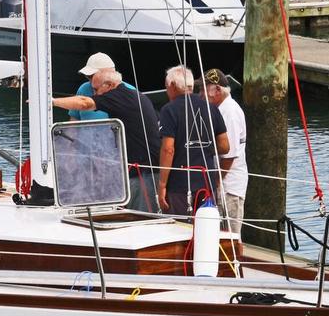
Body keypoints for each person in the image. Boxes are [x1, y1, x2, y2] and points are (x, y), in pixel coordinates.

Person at [51, 69, 161, 212]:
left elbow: (85, 103)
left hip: (142, 173)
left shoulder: (119, 96)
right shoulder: (131, 95)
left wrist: (52, 101)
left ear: (109, 85)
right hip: (143, 169)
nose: (95, 94)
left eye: (96, 89)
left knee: (140, 216)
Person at [157, 65, 229, 218]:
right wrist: (203, 147)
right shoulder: (211, 108)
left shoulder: (169, 110)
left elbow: (168, 149)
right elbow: (224, 146)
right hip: (206, 181)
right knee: (204, 225)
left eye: (166, 87)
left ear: (172, 86)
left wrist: (162, 185)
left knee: (179, 228)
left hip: (179, 185)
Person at [201, 68, 248, 236]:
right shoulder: (221, 109)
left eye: (204, 90)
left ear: (218, 90)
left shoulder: (229, 112)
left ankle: (236, 263)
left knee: (231, 236)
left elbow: (230, 154)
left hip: (229, 186)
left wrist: (216, 182)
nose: (201, 95)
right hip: (225, 183)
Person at [70, 53, 135, 122]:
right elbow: (74, 120)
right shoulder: (83, 89)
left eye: (93, 75)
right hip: (86, 132)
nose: (91, 80)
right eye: (88, 76)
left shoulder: (130, 91)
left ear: (109, 74)